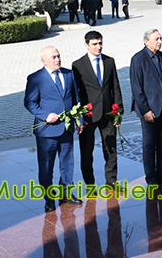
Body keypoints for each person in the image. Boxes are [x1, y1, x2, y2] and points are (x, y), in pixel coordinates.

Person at [24, 46, 83, 212]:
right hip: (47, 131)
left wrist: (79, 120)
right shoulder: (36, 78)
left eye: (58, 56)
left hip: (66, 128)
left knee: (67, 163)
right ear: (44, 61)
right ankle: (49, 198)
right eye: (53, 57)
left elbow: (76, 99)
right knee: (46, 166)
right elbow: (29, 102)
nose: (57, 59)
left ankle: (66, 193)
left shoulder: (68, 74)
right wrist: (45, 115)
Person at [72, 31, 124, 191]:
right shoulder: (78, 65)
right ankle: (90, 184)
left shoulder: (109, 61)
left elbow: (115, 86)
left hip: (108, 114)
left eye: (100, 43)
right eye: (94, 44)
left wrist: (118, 110)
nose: (98, 47)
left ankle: (111, 181)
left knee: (111, 149)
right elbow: (76, 92)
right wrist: (79, 117)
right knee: (87, 151)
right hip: (88, 115)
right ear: (86, 45)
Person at [130, 29, 162, 185]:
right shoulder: (138, 59)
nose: (159, 41)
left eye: (160, 38)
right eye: (156, 39)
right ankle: (151, 177)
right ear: (146, 41)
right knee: (150, 144)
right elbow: (136, 88)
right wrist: (145, 110)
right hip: (149, 110)